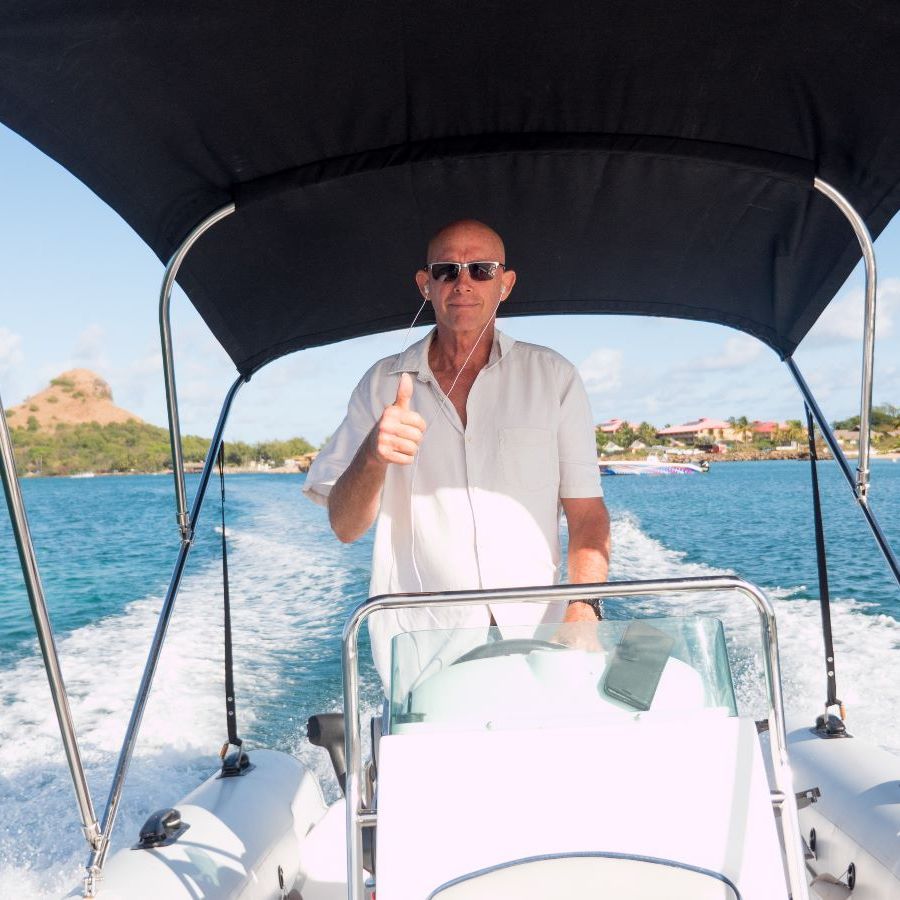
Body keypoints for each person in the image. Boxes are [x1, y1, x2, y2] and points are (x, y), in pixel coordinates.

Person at [304, 220, 610, 690]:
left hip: (542, 638)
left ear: (505, 284)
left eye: (481, 269)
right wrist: (373, 455)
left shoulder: (554, 377)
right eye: (447, 270)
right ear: (426, 285)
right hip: (424, 650)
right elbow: (345, 527)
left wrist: (583, 608)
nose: (463, 282)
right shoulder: (381, 384)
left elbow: (587, 511)